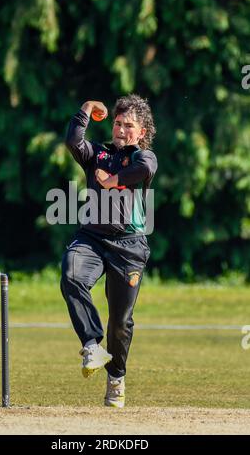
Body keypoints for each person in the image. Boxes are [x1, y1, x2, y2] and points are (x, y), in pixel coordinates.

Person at [60, 94, 157, 408]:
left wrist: (113, 180)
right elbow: (74, 142)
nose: (120, 129)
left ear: (141, 132)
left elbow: (143, 169)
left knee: (121, 321)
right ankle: (91, 344)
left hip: (129, 247)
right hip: (92, 238)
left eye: (128, 125)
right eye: (117, 123)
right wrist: (86, 109)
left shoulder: (142, 156)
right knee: (71, 273)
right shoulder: (97, 153)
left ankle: (116, 377)